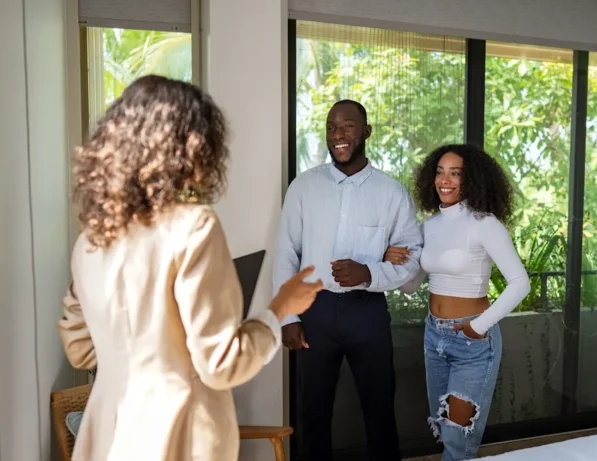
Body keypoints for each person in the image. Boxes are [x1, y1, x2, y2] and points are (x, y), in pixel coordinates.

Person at [56, 75, 323, 461]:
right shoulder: (193, 227)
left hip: (107, 436)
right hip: (177, 436)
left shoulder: (91, 241)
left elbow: (80, 348)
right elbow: (221, 364)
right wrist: (281, 306)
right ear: (192, 147)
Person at [273, 100, 423, 460]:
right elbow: (284, 253)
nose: (338, 135)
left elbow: (411, 259)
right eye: (332, 128)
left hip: (367, 311)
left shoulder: (392, 194)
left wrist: (369, 272)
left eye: (348, 127)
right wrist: (288, 317)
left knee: (379, 408)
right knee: (313, 411)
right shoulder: (304, 188)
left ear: (367, 132)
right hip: (315, 311)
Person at [384, 144, 530, 461]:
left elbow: (520, 283)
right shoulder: (429, 227)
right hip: (434, 336)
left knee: (458, 438)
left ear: (472, 179)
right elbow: (410, 286)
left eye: (455, 173)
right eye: (439, 172)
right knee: (444, 427)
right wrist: (394, 258)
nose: (444, 180)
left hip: (471, 341)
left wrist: (478, 327)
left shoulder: (484, 223)